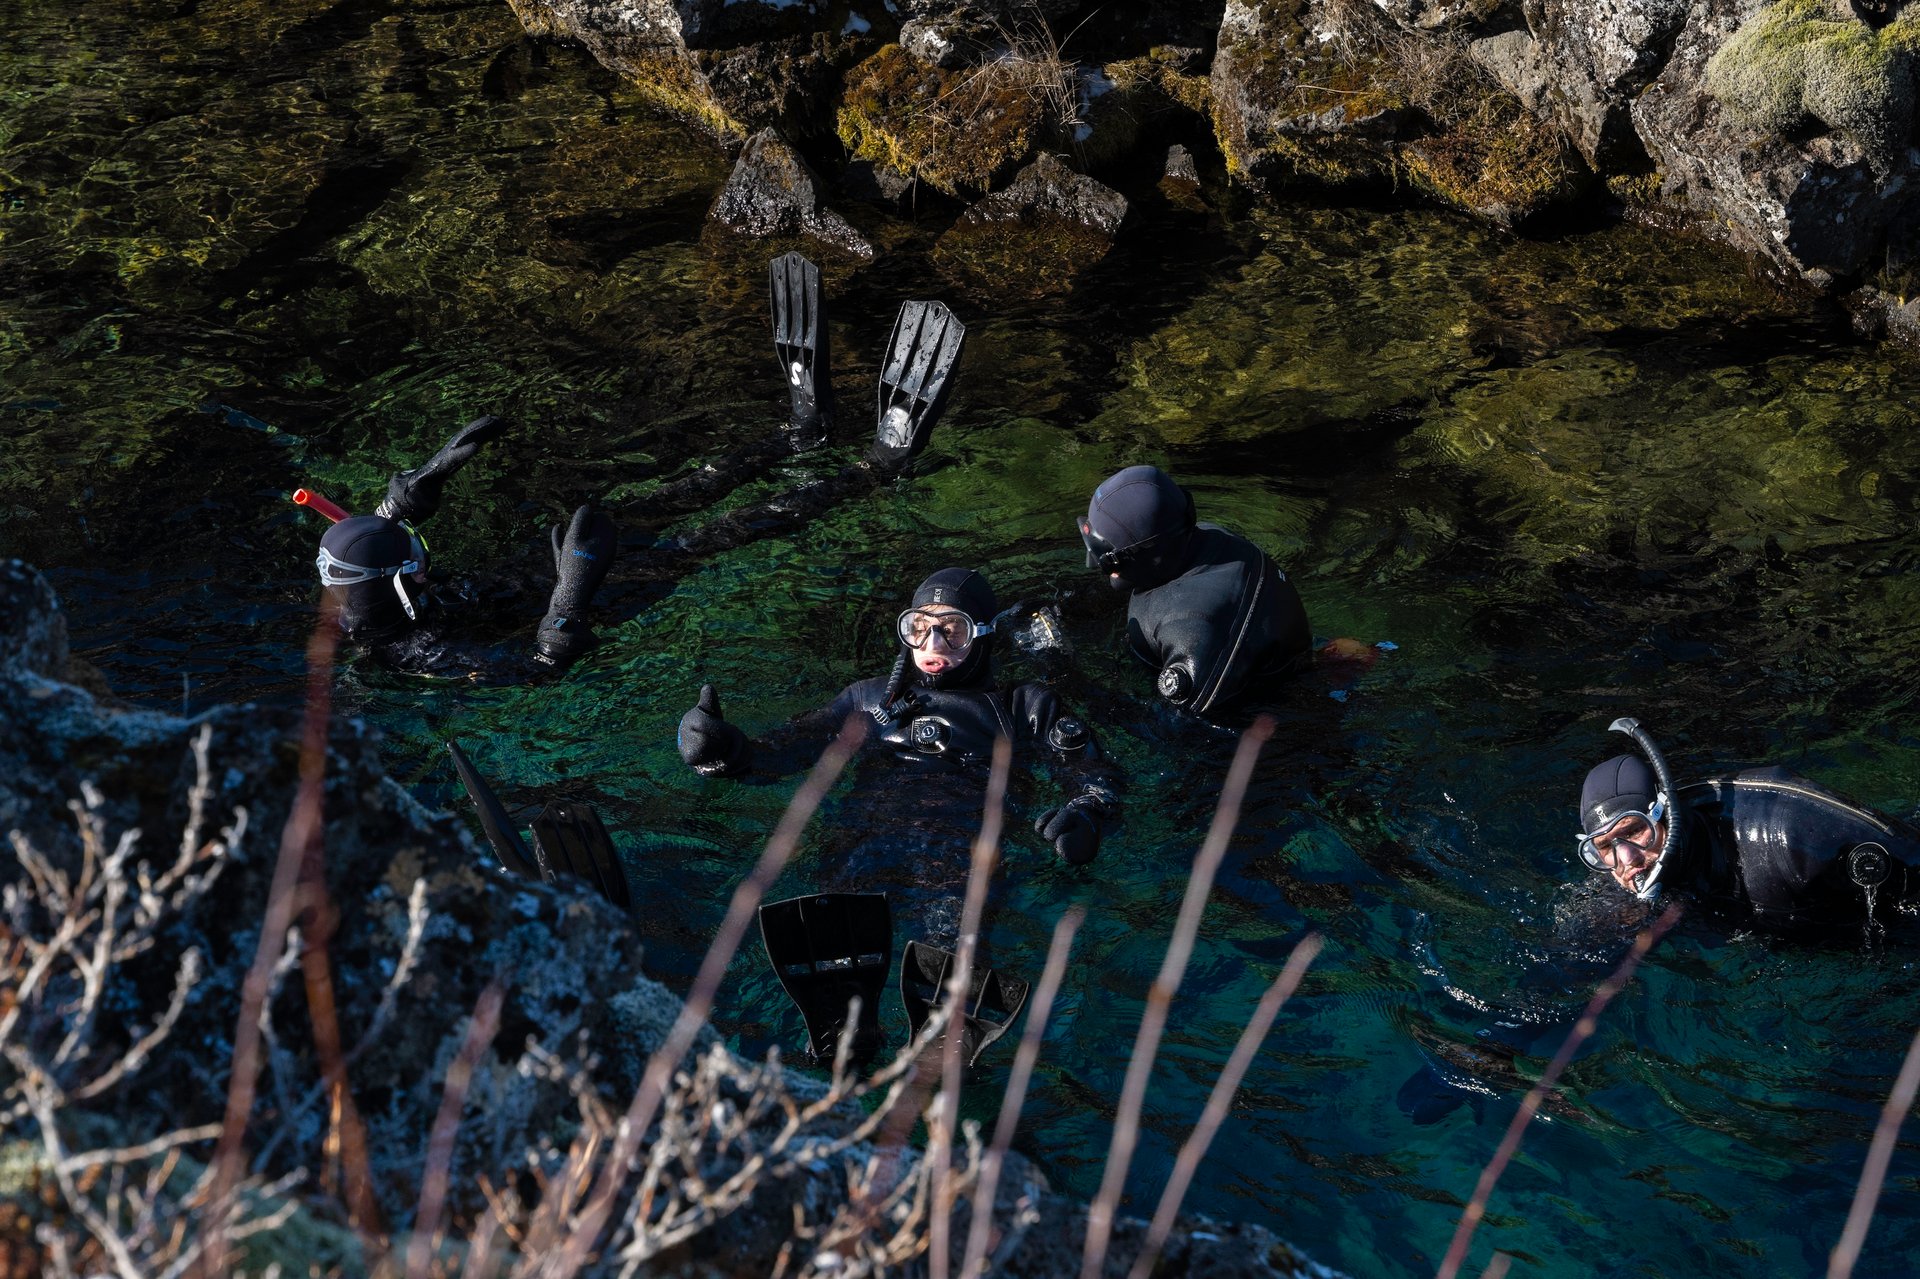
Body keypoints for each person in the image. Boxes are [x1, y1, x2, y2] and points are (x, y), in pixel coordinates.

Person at [674, 568, 1122, 1058]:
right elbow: (788, 748)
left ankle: (946, 1043)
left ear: (985, 634)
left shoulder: (1024, 706)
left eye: (953, 630)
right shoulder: (868, 698)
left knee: (950, 939)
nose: (932, 641)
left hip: (959, 847)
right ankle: (845, 1030)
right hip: (867, 834)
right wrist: (724, 752)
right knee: (834, 928)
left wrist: (1088, 812)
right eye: (918, 627)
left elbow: (1094, 773)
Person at [310, 415, 617, 680]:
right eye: (417, 557)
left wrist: (400, 504)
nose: (425, 563)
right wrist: (566, 610)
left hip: (466, 601)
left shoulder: (361, 601)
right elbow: (539, 674)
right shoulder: (427, 657)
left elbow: (360, 554)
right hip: (513, 625)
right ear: (399, 585)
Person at [1574, 717, 1919, 934]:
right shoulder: (1627, 874)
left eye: (1634, 831)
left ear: (1666, 811)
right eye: (1604, 847)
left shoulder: (1788, 830)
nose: (1627, 859)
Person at [1076, 465, 1323, 718]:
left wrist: (1072, 687)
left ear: (1150, 553)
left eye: (1102, 555)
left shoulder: (1195, 628)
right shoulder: (1203, 538)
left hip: (1267, 723)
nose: (1092, 564)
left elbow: (1178, 736)